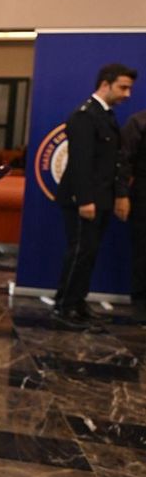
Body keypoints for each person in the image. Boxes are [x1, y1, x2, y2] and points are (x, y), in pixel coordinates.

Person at [55, 63, 135, 330]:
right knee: (80, 252)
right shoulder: (85, 116)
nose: (127, 94)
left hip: (100, 198)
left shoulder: (106, 115)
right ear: (105, 84)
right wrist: (85, 199)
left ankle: (78, 302)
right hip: (83, 199)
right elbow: (80, 162)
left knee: (89, 254)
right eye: (123, 87)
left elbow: (112, 162)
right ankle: (64, 306)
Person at [120, 104, 146, 322]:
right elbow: (125, 161)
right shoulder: (138, 122)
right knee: (143, 249)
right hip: (143, 194)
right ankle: (141, 304)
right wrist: (122, 195)